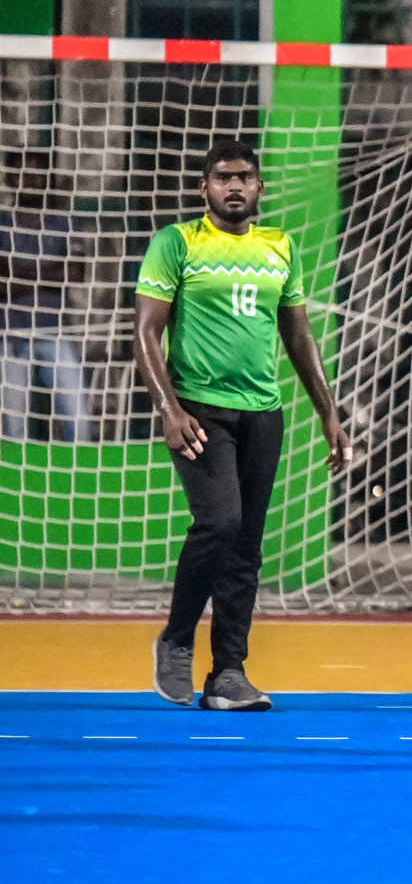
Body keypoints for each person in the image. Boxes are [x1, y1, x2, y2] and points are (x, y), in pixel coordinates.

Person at [138, 139, 351, 711]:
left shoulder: (280, 247)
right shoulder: (175, 244)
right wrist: (168, 408)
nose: (234, 186)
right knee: (220, 522)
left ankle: (228, 673)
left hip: (263, 414)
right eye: (222, 178)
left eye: (244, 177)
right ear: (204, 187)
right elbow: (145, 332)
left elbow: (299, 336)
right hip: (199, 411)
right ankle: (177, 642)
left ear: (260, 187)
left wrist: (328, 412)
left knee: (246, 548)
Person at [0, 151, 92, 442]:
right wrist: (50, 273)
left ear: (45, 179)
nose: (30, 179)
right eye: (22, 172)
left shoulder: (62, 223)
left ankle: (83, 482)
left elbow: (75, 274)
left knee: (79, 420)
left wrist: (18, 272)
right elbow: (2, 285)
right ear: (10, 179)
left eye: (36, 173)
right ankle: (17, 488)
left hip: (54, 334)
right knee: (13, 428)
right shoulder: (2, 224)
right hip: (10, 337)